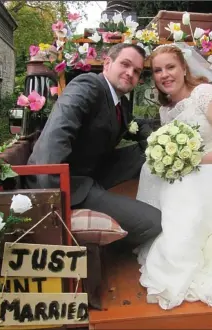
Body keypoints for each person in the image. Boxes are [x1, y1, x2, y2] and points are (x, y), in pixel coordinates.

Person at [135, 43, 212, 310]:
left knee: (187, 183)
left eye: (170, 67)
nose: (164, 74)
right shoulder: (166, 110)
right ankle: (159, 236)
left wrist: (198, 163)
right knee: (152, 170)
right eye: (157, 70)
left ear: (184, 68)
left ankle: (181, 261)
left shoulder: (205, 94)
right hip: (200, 171)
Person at [25, 43, 162, 246]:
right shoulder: (87, 85)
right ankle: (105, 246)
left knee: (148, 152)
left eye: (137, 71)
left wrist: (165, 136)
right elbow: (57, 135)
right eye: (125, 64)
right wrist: (55, 197)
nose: (130, 73)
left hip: (92, 171)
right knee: (154, 222)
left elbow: (133, 124)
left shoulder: (120, 102)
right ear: (107, 63)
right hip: (65, 183)